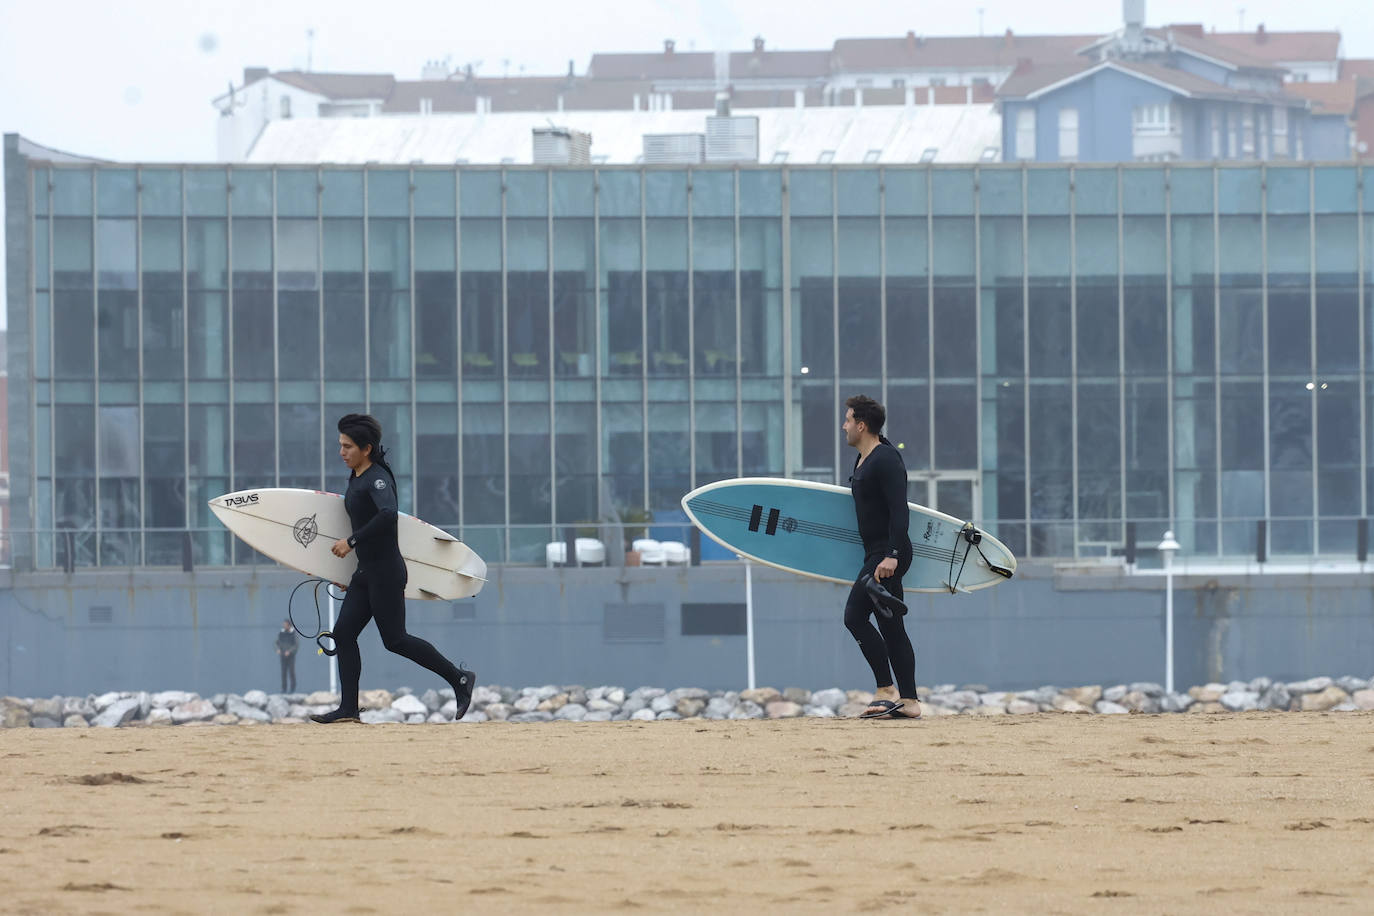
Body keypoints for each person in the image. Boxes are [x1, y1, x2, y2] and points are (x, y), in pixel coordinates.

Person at [311, 414, 476, 724]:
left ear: (366, 448)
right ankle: (348, 709)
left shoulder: (377, 478)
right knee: (343, 633)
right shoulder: (357, 477)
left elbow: (388, 515)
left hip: (386, 572)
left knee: (395, 640)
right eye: (340, 446)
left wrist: (351, 541)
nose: (341, 452)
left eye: (347, 446)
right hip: (365, 572)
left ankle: (460, 679)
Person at [841, 395, 920, 720]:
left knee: (854, 617)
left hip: (886, 555)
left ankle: (885, 689)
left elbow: (900, 512)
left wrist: (892, 555)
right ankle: (911, 702)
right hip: (875, 552)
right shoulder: (862, 460)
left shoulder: (885, 459)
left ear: (861, 425)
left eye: (847, 420)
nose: (843, 426)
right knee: (891, 627)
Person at [275, 620, 298, 693]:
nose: (284, 626)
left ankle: (292, 689)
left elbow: (296, 645)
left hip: (291, 656)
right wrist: (277, 649)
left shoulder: (293, 633)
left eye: (285, 625)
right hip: (282, 656)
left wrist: (290, 651)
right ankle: (283, 689)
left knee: (291, 672)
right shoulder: (281, 633)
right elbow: (276, 642)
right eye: (283, 624)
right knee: (283, 673)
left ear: (289, 625)